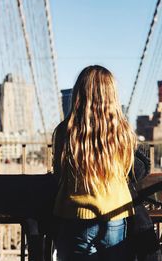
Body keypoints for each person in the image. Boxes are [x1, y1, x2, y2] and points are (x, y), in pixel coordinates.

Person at [52, 65, 137, 261]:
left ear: (79, 92)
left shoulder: (66, 131)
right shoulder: (123, 132)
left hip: (75, 218)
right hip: (115, 216)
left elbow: (60, 172)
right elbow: (126, 170)